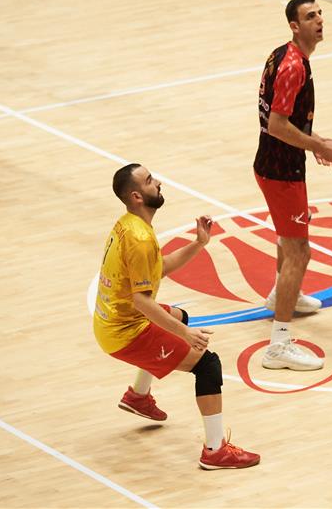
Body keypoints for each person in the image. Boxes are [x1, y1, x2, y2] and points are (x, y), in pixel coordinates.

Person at [94, 164, 260, 469]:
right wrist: (185, 335)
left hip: (113, 318)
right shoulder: (140, 239)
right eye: (149, 181)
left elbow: (159, 268)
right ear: (137, 196)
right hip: (125, 331)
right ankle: (215, 451)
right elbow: (142, 302)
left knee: (179, 316)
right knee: (208, 365)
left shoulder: (129, 224)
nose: (158, 182)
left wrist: (199, 243)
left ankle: (138, 396)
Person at [254, 0, 332, 371]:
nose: (319, 20)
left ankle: (282, 295)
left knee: (287, 239)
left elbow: (284, 119)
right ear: (295, 26)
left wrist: (314, 141)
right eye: (310, 16)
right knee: (299, 252)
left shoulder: (284, 55)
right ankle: (278, 345)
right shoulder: (294, 66)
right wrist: (317, 146)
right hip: (281, 170)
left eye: (320, 14)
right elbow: (277, 125)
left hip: (276, 163)